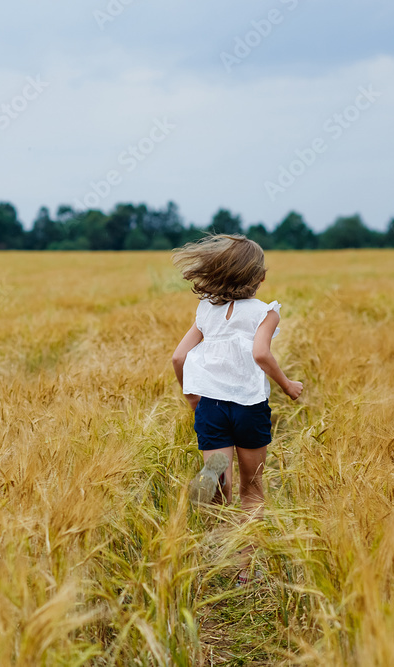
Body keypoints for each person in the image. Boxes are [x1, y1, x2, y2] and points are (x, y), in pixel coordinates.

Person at [170, 234, 303, 583]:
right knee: (253, 491)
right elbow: (261, 353)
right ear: (258, 278)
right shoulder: (265, 312)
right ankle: (245, 570)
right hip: (248, 406)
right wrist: (288, 386)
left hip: (211, 406)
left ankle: (219, 553)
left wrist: (191, 395)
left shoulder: (205, 311)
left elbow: (178, 356)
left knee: (220, 491)